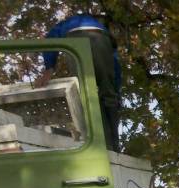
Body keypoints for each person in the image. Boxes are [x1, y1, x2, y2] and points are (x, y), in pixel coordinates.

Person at [36, 12, 122, 151]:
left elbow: (51, 37)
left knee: (87, 94)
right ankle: (114, 144)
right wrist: (115, 91)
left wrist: (49, 68)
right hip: (101, 38)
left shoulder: (67, 23)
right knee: (108, 96)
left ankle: (101, 143)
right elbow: (115, 65)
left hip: (75, 39)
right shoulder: (103, 30)